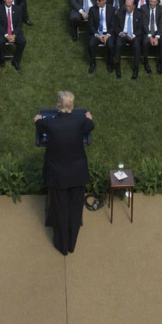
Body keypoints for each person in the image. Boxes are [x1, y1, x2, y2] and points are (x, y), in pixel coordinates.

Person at [35, 92, 94, 255]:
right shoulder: (80, 121)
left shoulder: (50, 123)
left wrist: (37, 119)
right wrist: (89, 117)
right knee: (75, 210)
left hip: (58, 175)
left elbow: (38, 123)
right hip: (78, 174)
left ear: (58, 105)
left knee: (60, 209)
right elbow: (90, 124)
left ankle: (61, 245)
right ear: (72, 106)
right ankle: (71, 244)